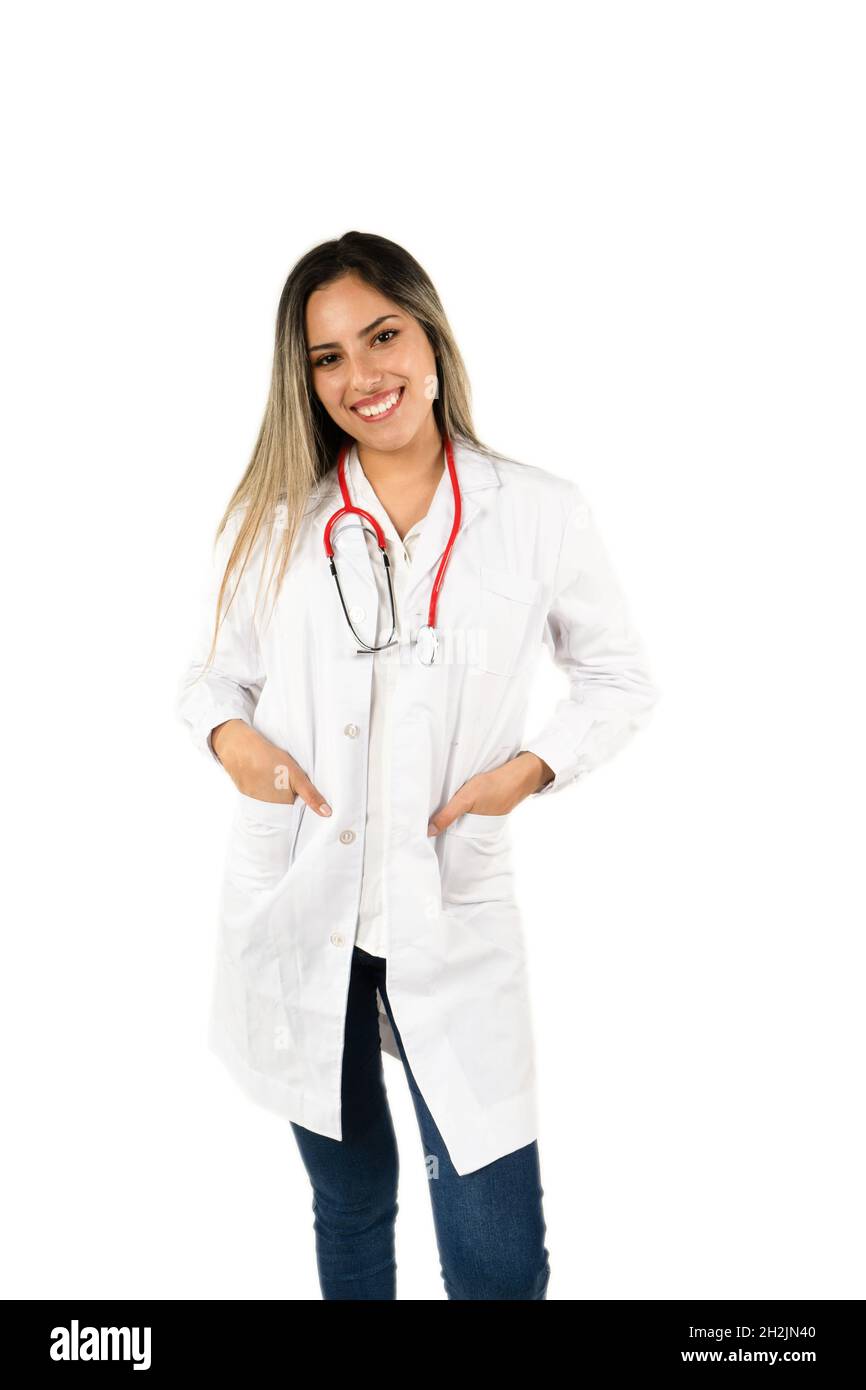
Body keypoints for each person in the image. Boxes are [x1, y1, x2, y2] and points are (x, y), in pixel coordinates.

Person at [177, 230, 659, 1300]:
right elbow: (212, 682)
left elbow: (618, 679)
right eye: (327, 357)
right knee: (348, 1205)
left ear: (430, 336)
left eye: (381, 336)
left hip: (447, 904)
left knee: (492, 1257)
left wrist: (525, 771)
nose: (361, 375)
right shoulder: (282, 523)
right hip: (313, 910)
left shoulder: (535, 512)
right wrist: (232, 740)